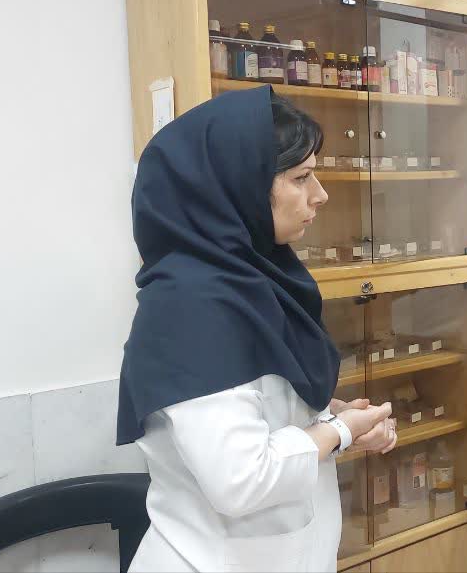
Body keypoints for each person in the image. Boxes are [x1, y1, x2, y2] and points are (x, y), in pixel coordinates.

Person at [115, 87, 397, 572]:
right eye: (301, 177)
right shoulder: (188, 308)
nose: (321, 194)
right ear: (237, 184)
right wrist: (337, 432)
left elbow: (257, 397)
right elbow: (241, 479)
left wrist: (336, 415)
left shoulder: (257, 280)